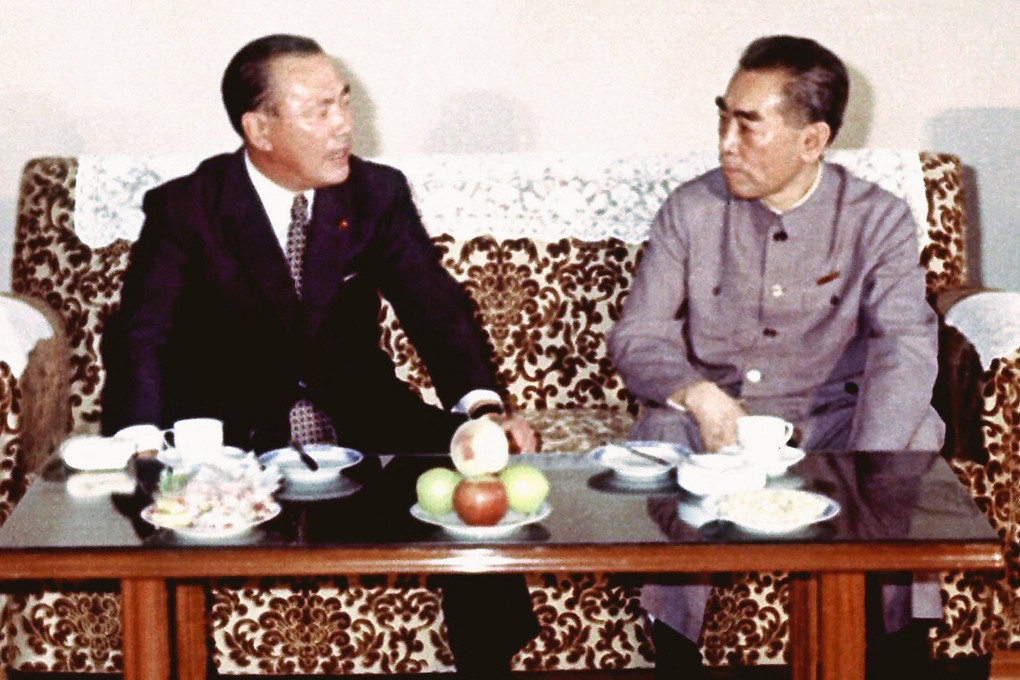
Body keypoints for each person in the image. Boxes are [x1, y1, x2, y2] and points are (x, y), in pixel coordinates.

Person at [101, 33, 538, 677]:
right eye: (317, 111)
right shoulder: (188, 207)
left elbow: (435, 308)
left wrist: (482, 406)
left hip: (364, 416)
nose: (343, 127)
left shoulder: (376, 194)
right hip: (232, 430)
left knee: (480, 481)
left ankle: (489, 663)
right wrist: (141, 443)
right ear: (260, 129)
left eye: (344, 103)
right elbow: (142, 331)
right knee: (162, 509)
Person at [608, 35, 944, 676]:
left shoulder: (880, 219)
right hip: (719, 425)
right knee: (662, 431)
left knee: (911, 433)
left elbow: (904, 347)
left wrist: (865, 468)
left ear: (812, 141)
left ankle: (899, 649)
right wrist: (697, 394)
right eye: (722, 117)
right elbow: (639, 334)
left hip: (834, 420)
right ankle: (674, 654)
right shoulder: (691, 209)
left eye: (748, 125)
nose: (725, 142)